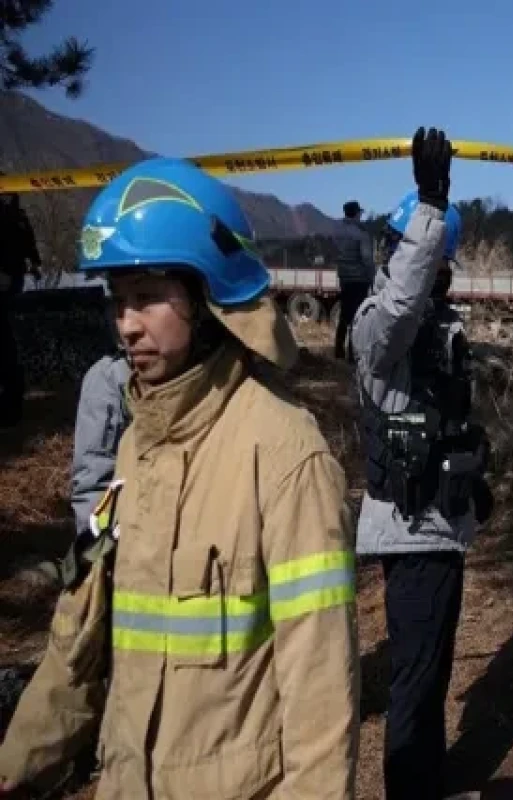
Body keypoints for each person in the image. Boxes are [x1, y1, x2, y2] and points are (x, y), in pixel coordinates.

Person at [0, 157, 360, 797]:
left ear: (207, 296)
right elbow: (75, 632)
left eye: (146, 297)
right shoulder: (135, 447)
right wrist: (14, 767)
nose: (126, 323)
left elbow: (321, 700)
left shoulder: (284, 453)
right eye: (118, 299)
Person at [349, 127, 490, 800]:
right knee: (413, 685)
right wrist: (431, 203)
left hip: (439, 528)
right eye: (430, 262)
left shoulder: (435, 327)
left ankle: (426, 783)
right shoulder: (380, 325)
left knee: (430, 680)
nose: (440, 279)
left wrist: (473, 483)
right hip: (410, 533)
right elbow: (402, 303)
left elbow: (447, 421)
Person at [70, 352, 132, 539]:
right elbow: (95, 482)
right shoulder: (110, 377)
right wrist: (99, 547)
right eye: (120, 319)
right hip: (130, 540)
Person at [0, 190, 42, 427]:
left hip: (8, 282)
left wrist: (32, 263)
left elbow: (25, 240)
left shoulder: (13, 214)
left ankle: (11, 407)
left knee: (6, 345)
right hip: (10, 280)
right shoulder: (15, 213)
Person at [333, 199, 376, 361]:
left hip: (344, 278)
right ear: (356, 214)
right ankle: (352, 354)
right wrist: (372, 277)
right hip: (359, 279)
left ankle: (338, 350)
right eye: (360, 213)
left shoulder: (337, 232)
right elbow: (367, 259)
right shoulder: (361, 234)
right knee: (358, 316)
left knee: (345, 313)